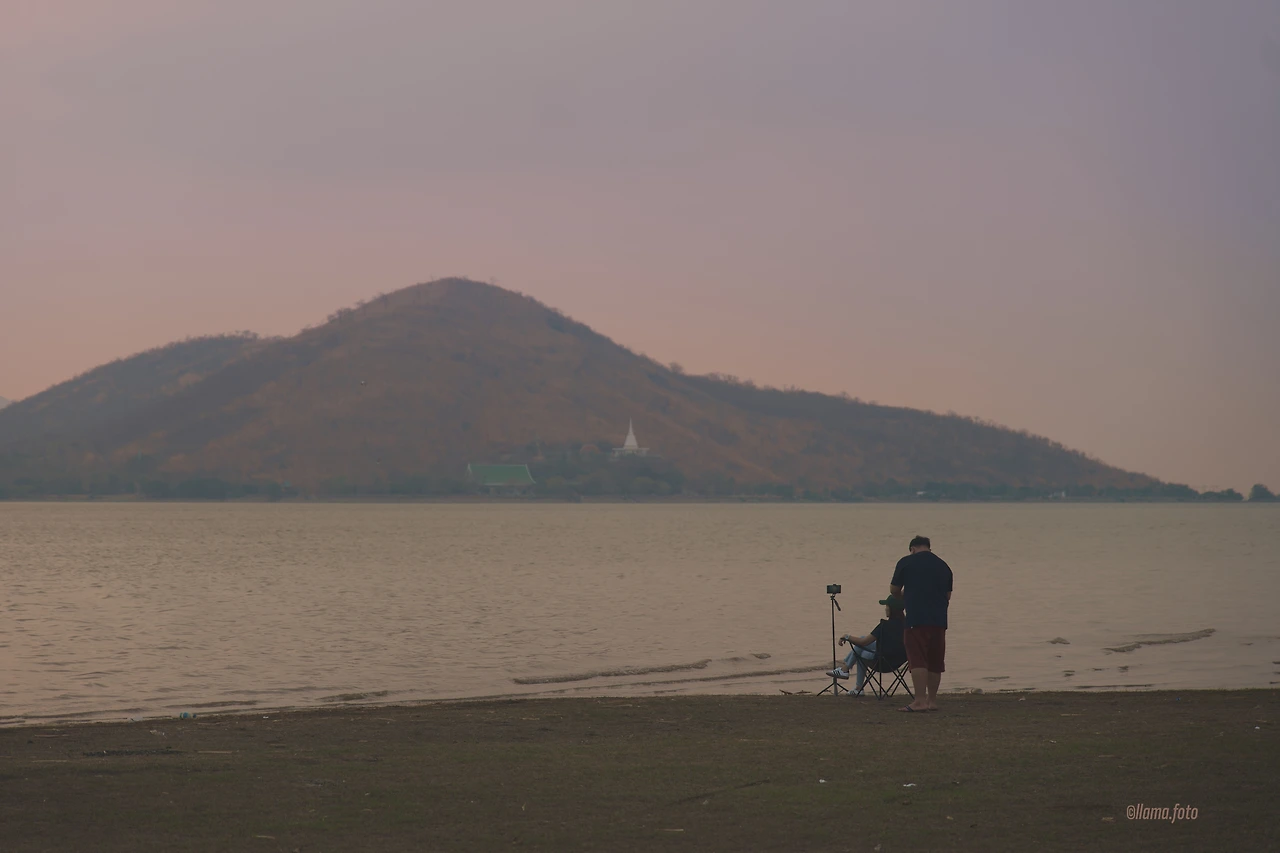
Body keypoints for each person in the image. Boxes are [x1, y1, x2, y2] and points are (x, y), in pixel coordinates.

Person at [889, 535, 953, 712]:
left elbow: (894, 589)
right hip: (939, 620)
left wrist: (904, 598)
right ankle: (932, 701)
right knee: (935, 660)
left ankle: (919, 701)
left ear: (912, 549)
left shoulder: (906, 562)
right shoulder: (944, 566)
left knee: (917, 659)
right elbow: (948, 596)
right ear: (929, 548)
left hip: (916, 618)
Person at [826, 595, 907, 696]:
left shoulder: (884, 626)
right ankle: (846, 672)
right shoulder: (907, 625)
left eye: (887, 606)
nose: (885, 609)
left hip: (881, 663)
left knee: (860, 651)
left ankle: (853, 681)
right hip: (898, 662)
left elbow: (863, 642)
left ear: (892, 609)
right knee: (862, 644)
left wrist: (847, 637)